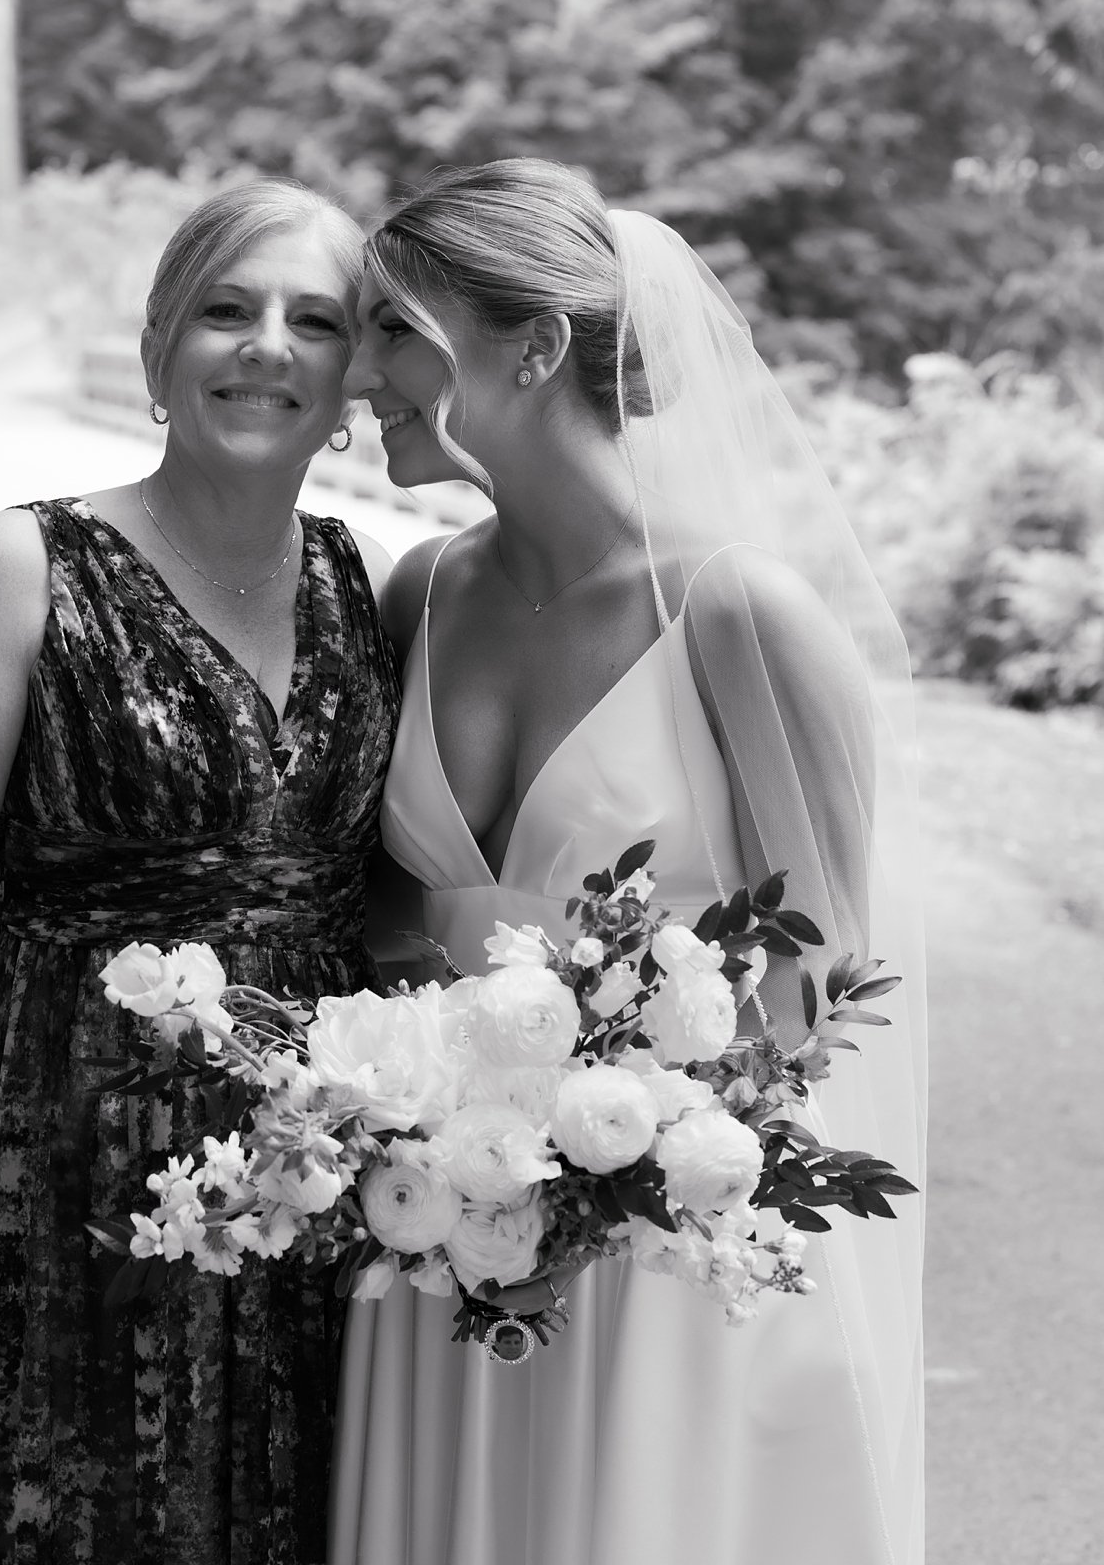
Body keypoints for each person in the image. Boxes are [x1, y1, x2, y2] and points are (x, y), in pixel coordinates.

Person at [331, 159, 925, 1565]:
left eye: (395, 329)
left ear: (530, 347)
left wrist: (609, 1171)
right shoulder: (418, 592)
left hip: (666, 1259)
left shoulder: (740, 613)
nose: (358, 372)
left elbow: (829, 994)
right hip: (441, 1244)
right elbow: (386, 918)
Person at [0, 180, 402, 1565]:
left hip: (313, 1185)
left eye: (314, 320)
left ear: (354, 375)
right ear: (161, 349)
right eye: (226, 308)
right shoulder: (18, 568)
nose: (267, 345)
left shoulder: (370, 581)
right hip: (63, 1179)